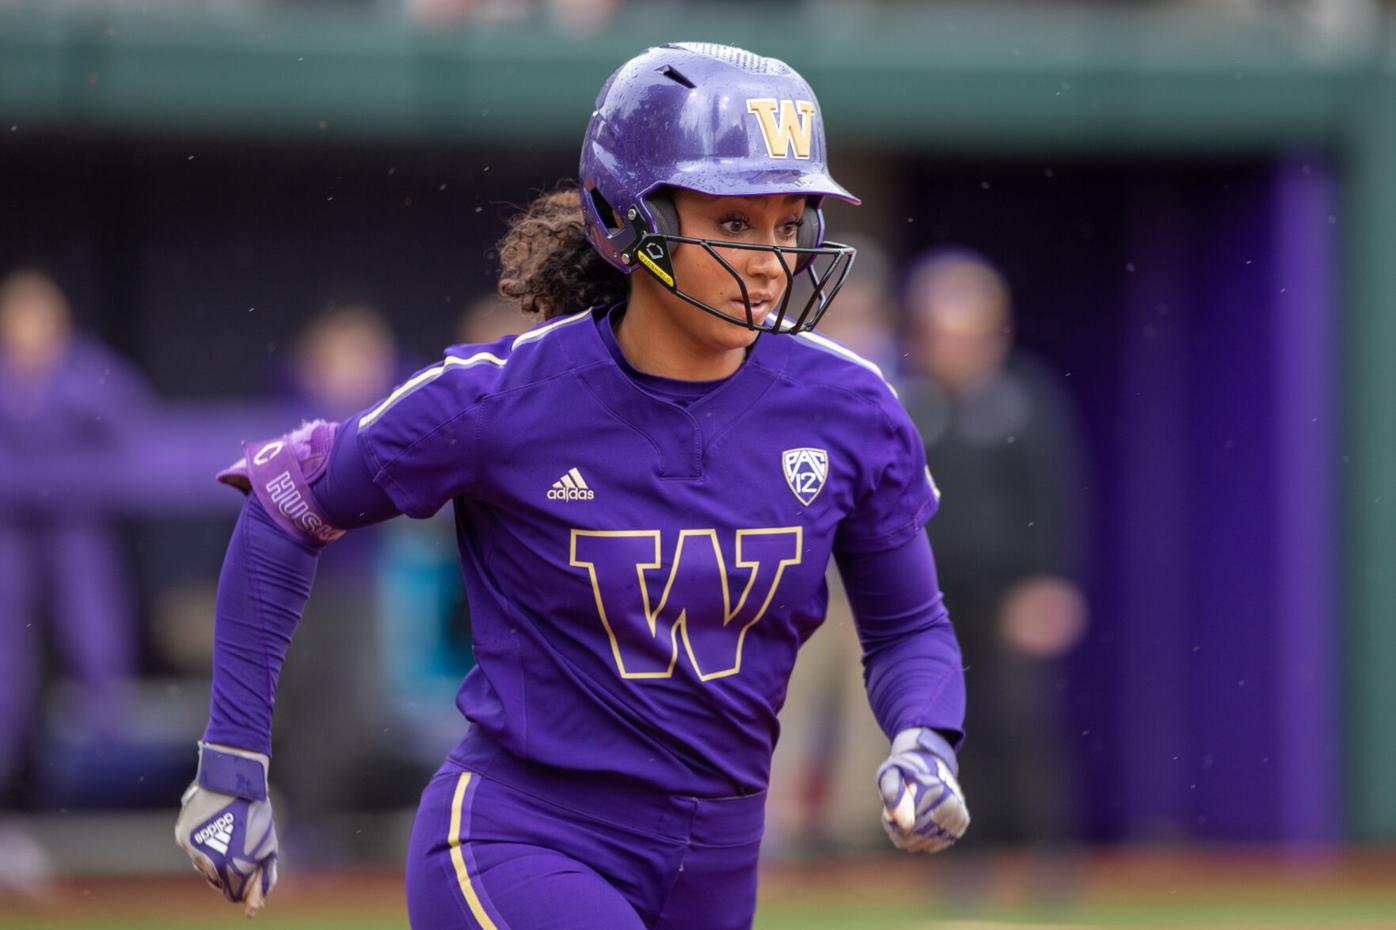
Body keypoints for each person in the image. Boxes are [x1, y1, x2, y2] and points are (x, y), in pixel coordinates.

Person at [174, 43, 969, 929]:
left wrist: (924, 737)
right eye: (736, 223)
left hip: (718, 860)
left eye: (790, 224)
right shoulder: (500, 397)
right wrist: (232, 760)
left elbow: (908, 626)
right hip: (523, 839)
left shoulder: (849, 404)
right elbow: (288, 500)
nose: (772, 260)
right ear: (625, 219)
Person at [901, 248, 1088, 851]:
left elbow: (1056, 496)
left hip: (1008, 597)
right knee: (940, 730)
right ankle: (957, 863)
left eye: (970, 334)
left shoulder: (1025, 400)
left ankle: (1046, 859)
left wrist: (1047, 583)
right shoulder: (904, 405)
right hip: (927, 601)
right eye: (941, 334)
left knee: (1021, 729)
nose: (956, 349)